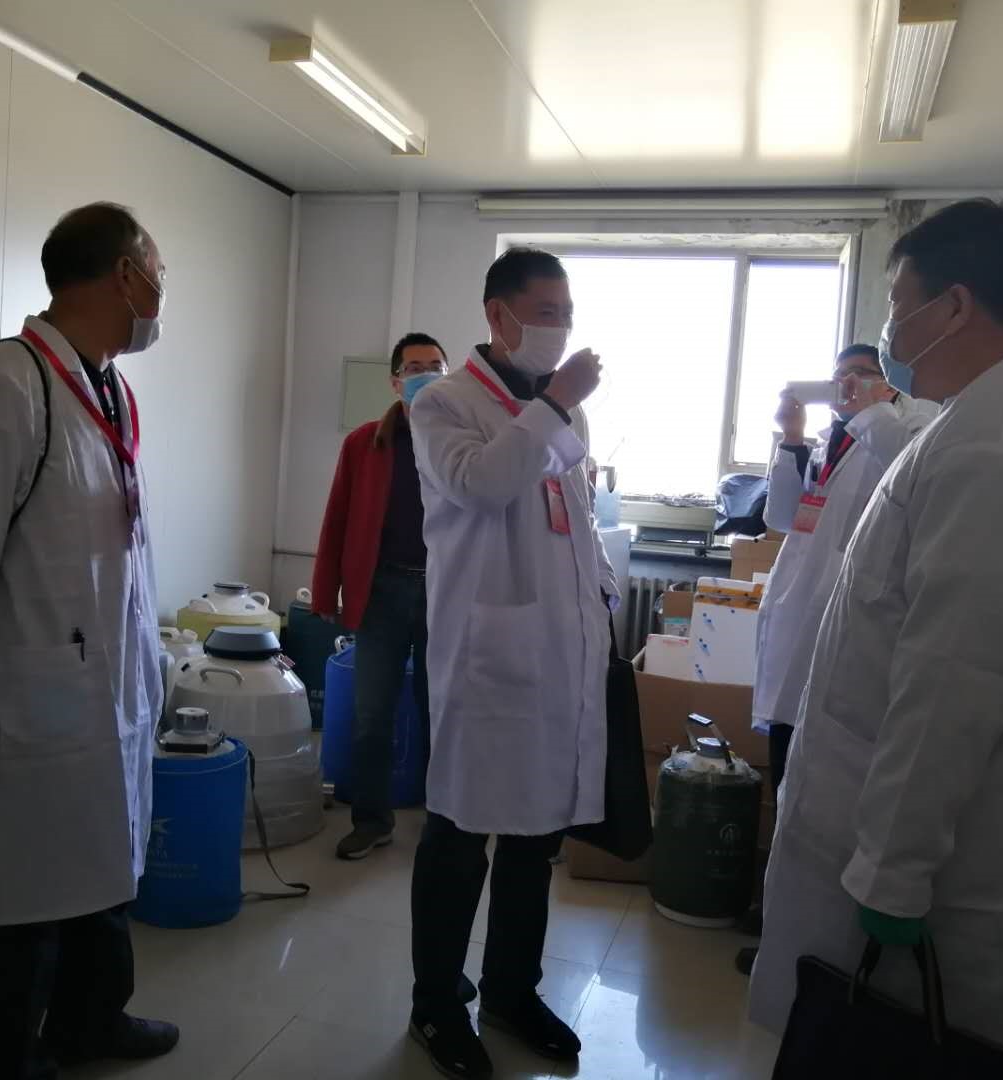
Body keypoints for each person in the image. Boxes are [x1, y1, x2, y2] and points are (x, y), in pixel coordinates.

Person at [749, 199, 1003, 1080]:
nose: (891, 330)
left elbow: (956, 681)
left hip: (933, 898)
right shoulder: (991, 418)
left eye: (898, 302)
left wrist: (892, 877)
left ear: (953, 306)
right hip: (903, 857)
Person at [0, 203, 179, 1079]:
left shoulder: (107, 387)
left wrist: (150, 670)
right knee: (22, 900)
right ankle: (11, 1061)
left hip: (103, 692)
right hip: (27, 706)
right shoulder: (2, 386)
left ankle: (91, 1022)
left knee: (100, 874)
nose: (161, 292)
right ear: (123, 274)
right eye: (157, 273)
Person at [407, 247, 618, 1080]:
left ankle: (509, 992)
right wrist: (555, 403)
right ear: (498, 316)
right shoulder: (443, 403)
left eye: (568, 313)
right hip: (486, 658)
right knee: (460, 837)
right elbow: (483, 485)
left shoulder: (566, 416)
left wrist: (600, 602)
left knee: (537, 838)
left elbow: (577, 518)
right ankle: (435, 1005)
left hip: (559, 655)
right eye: (546, 313)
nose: (560, 328)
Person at [734, 345, 939, 975]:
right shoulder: (836, 438)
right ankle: (778, 915)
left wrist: (871, 410)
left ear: (888, 381)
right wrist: (794, 441)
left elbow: (906, 471)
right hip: (800, 617)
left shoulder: (917, 420)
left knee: (824, 785)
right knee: (787, 766)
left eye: (860, 376)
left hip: (850, 628)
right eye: (840, 377)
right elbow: (784, 516)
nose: (846, 386)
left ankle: (809, 932)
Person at [311, 332, 449, 860]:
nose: (426, 375)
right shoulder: (365, 443)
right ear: (395, 381)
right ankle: (371, 821)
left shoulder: (461, 443)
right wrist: (325, 591)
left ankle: (445, 823)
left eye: (435, 366)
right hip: (381, 591)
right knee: (371, 715)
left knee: (441, 713)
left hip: (444, 593)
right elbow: (337, 520)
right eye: (414, 368)